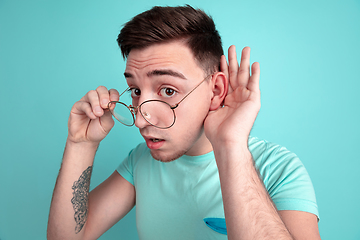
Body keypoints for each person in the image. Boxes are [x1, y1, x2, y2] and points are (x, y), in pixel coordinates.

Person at [47, 5, 320, 240]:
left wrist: (230, 146)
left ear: (215, 91)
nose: (141, 118)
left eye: (168, 90)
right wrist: (80, 143)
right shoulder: (140, 162)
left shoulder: (279, 169)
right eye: (136, 90)